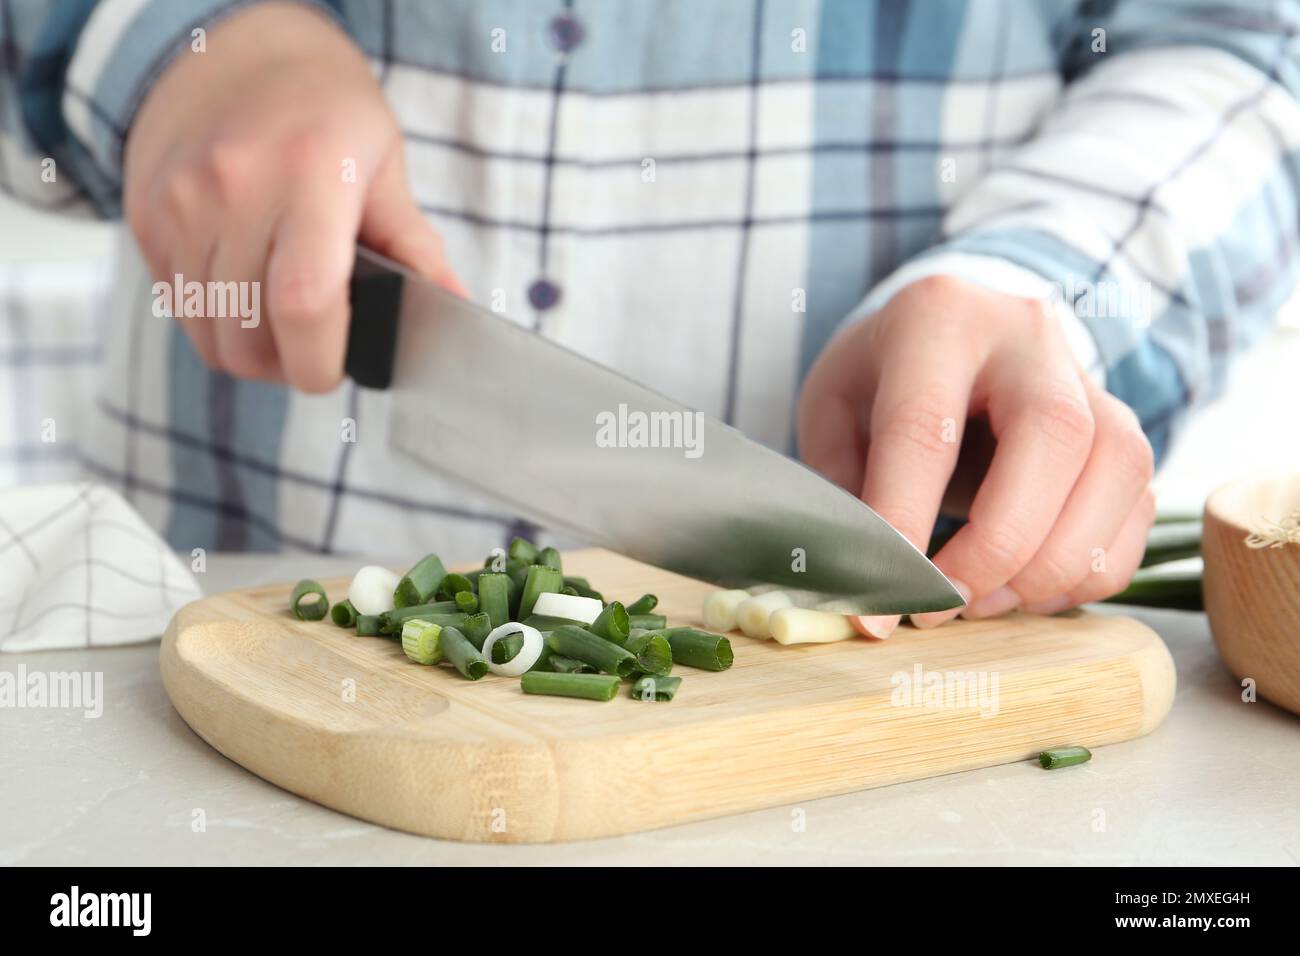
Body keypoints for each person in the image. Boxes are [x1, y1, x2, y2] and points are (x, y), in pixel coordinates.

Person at [2, 1, 1295, 635]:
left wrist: (1045, 279)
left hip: (880, 711)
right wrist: (161, 41)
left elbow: (1239, 41)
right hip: (208, 614)